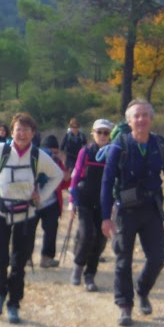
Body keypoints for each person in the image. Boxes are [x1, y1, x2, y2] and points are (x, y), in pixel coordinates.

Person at [0, 113, 63, 324]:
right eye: (18, 129)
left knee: (19, 262)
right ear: (12, 132)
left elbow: (57, 174)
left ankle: (14, 304)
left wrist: (42, 196)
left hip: (26, 215)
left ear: (33, 134)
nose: (22, 134)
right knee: (1, 258)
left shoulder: (37, 156)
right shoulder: (1, 150)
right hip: (0, 211)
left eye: (26, 130)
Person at [101, 100, 164, 327]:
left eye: (145, 115)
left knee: (158, 256)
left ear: (151, 119)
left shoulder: (161, 145)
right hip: (125, 211)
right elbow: (107, 182)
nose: (141, 120)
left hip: (151, 209)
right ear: (129, 121)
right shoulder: (119, 145)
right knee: (123, 259)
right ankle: (125, 306)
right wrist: (106, 217)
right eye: (136, 116)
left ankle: (142, 290)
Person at [68, 119, 113, 291]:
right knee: (87, 235)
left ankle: (90, 276)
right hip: (85, 201)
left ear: (110, 135)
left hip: (104, 203)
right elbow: (77, 175)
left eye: (106, 133)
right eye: (99, 132)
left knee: (100, 240)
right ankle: (78, 268)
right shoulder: (85, 152)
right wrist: (72, 202)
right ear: (93, 133)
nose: (102, 136)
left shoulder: (113, 153)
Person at [36, 135, 69, 268]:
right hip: (33, 203)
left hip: (52, 203)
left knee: (51, 231)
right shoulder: (32, 161)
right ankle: (25, 257)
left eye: (55, 152)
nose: (52, 155)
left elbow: (65, 184)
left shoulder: (58, 163)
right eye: (50, 151)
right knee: (27, 231)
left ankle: (47, 258)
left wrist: (66, 174)